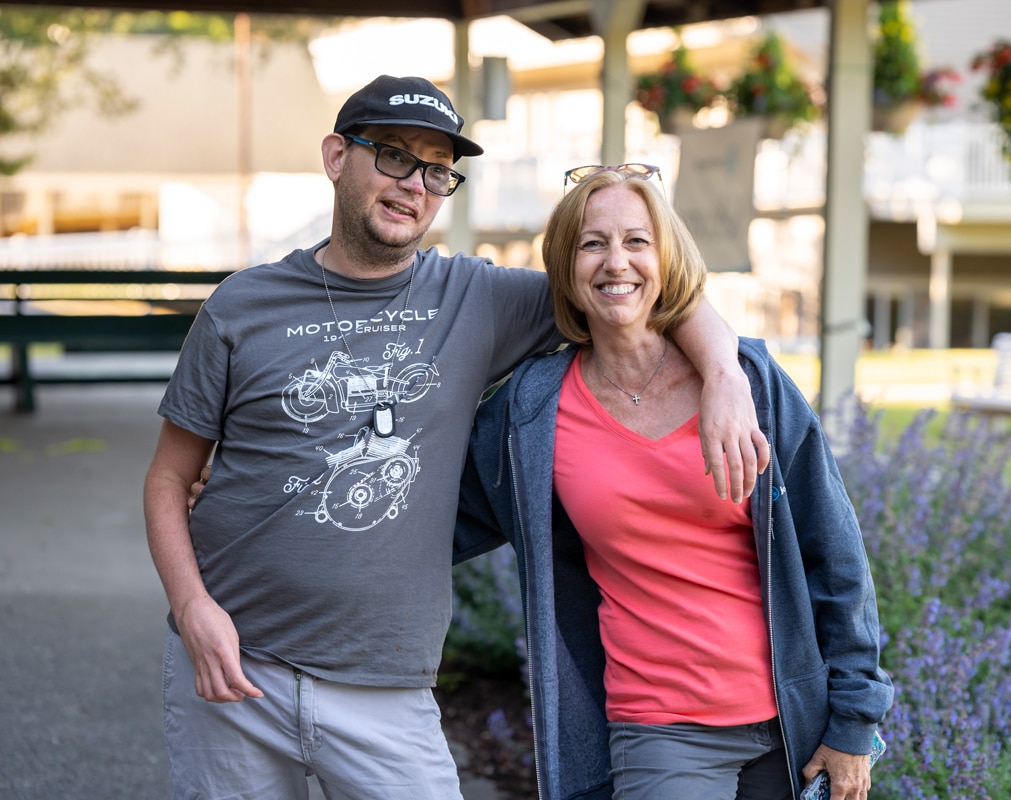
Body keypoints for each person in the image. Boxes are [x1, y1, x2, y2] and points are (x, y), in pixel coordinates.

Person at [143, 75, 767, 800]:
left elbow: (633, 288)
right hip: (229, 665)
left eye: (437, 170)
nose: (415, 184)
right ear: (337, 156)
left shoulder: (476, 299)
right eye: (395, 156)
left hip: (385, 686)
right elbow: (166, 479)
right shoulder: (240, 306)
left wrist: (725, 371)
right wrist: (192, 608)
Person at [455, 165, 893, 800]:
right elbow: (435, 516)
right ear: (565, 264)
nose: (616, 262)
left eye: (637, 241)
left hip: (792, 716)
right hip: (659, 726)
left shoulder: (752, 388)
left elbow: (836, 553)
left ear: (667, 259)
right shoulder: (532, 410)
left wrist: (855, 719)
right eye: (592, 243)